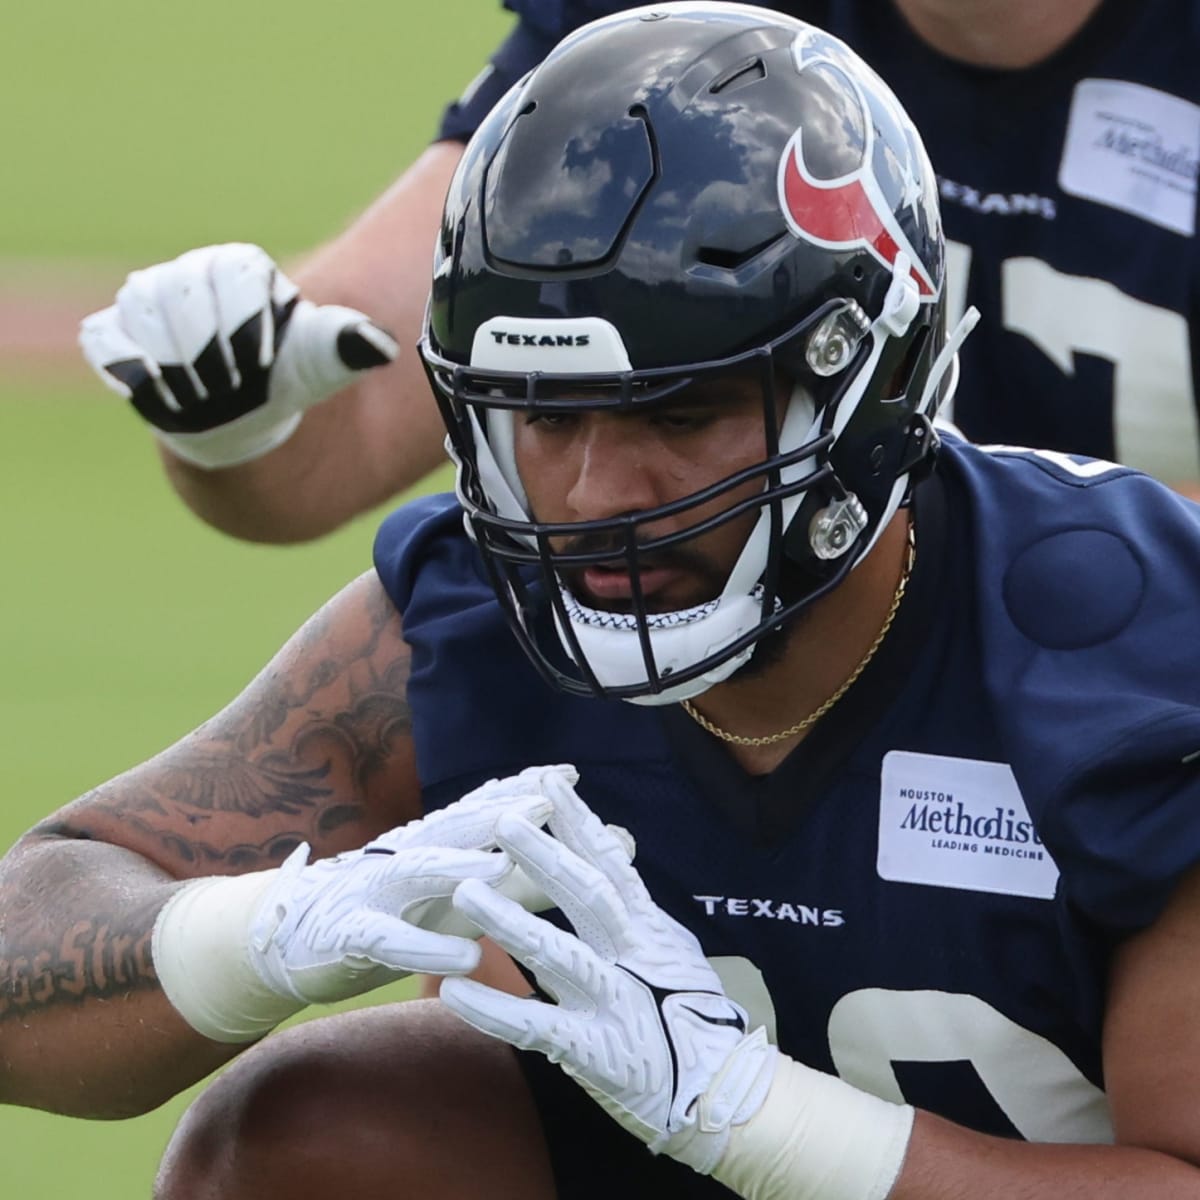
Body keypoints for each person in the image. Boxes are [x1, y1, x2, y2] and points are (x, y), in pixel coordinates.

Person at [10, 6, 1200, 1197]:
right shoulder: (471, 619)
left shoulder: (1132, 651)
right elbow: (31, 940)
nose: (596, 496)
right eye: (548, 414)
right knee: (313, 1137)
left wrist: (763, 1124)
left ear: (870, 382)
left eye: (676, 417)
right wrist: (260, 936)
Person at [78, 0, 1200, 546]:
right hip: (745, 712)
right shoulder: (675, 25)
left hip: (1140, 729)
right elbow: (337, 437)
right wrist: (231, 413)